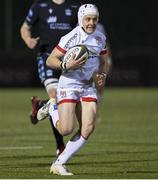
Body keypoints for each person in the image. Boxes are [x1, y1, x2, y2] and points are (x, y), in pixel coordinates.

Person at [41, 3, 109, 175]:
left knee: (88, 127)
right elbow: (50, 60)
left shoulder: (100, 38)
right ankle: (51, 107)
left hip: (87, 86)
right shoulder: (71, 37)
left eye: (94, 19)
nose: (91, 23)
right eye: (88, 19)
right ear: (80, 19)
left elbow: (103, 62)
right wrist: (66, 64)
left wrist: (101, 75)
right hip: (69, 84)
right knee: (65, 129)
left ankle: (59, 163)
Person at [20, 0, 81, 155]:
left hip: (69, 61)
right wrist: (28, 40)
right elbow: (25, 28)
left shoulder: (75, 6)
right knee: (55, 96)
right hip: (47, 58)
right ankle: (60, 146)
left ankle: (40, 105)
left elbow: (83, 30)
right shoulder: (39, 5)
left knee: (67, 101)